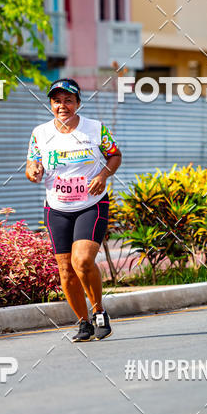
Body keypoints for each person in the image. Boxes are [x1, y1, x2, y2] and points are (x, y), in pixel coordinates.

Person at [26, 78, 122, 342]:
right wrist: (33, 171)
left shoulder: (95, 129)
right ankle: (83, 322)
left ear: (78, 103)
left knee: (83, 261)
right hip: (56, 208)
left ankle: (99, 312)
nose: (62, 106)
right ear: (51, 105)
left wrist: (103, 175)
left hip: (91, 204)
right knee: (66, 270)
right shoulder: (40, 133)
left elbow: (115, 155)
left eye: (68, 100)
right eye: (57, 101)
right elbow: (32, 164)